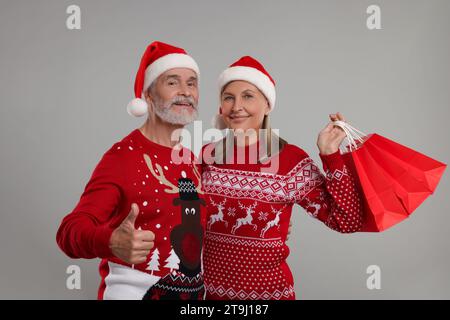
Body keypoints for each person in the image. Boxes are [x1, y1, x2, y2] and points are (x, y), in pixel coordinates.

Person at [200, 56, 364, 300]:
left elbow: (346, 220)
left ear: (267, 105)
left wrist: (331, 155)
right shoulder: (206, 157)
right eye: (228, 97)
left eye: (248, 96)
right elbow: (181, 217)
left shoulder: (289, 161)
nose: (236, 107)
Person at [56, 41, 207, 300]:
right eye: (172, 82)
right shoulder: (122, 158)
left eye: (191, 83)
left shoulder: (193, 161)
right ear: (148, 95)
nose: (185, 92)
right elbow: (69, 232)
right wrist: (111, 240)